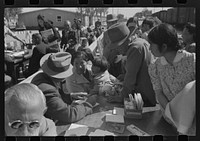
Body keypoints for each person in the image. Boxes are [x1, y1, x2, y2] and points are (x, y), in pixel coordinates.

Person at [147, 23, 196, 135]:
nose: (149, 48)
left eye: (151, 44)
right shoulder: (154, 67)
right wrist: (174, 116)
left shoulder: (192, 61)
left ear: (163, 46)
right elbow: (159, 93)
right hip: (169, 122)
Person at [31, 52, 96, 125]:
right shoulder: (47, 90)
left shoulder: (42, 77)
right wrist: (89, 104)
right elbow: (69, 115)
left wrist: (70, 96)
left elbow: (55, 98)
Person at [105, 23, 156, 107]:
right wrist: (124, 75)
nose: (117, 50)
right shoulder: (139, 42)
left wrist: (120, 97)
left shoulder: (135, 49)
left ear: (126, 41)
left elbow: (130, 78)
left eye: (118, 46)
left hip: (145, 97)